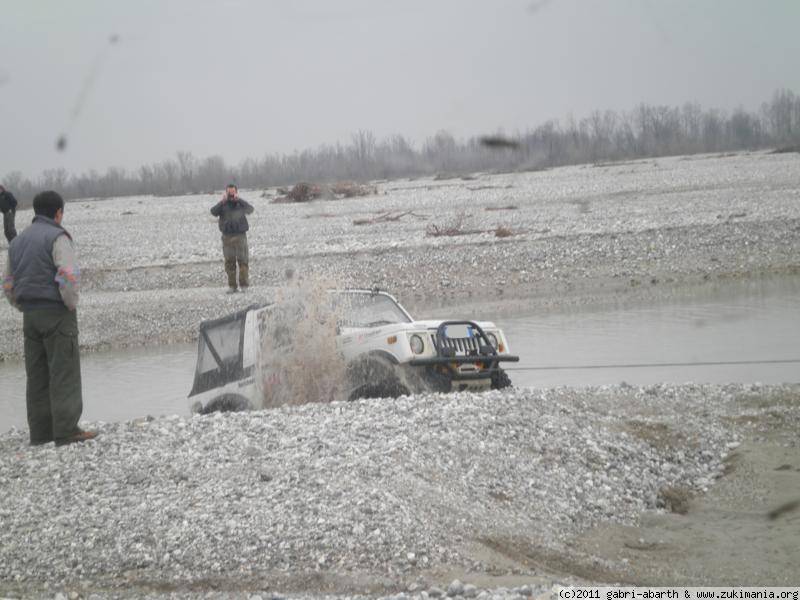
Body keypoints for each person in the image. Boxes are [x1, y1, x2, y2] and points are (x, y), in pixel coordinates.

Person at [3, 191, 97, 447]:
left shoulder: (18, 241)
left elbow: (8, 283)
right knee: (63, 371)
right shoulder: (58, 236)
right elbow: (67, 275)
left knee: (37, 375)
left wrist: (20, 306)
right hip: (56, 313)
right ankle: (66, 431)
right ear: (58, 213)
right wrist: (70, 303)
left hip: (30, 315)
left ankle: (41, 433)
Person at [210, 183, 254, 293]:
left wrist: (239, 200)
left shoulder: (240, 204)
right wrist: (222, 202)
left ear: (236, 192)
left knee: (243, 261)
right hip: (227, 237)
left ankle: (244, 285)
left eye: (233, 192)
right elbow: (213, 212)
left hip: (240, 236)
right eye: (229, 192)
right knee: (229, 262)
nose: (231, 194)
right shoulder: (222, 205)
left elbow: (250, 209)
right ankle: (232, 286)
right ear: (226, 192)